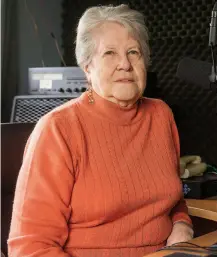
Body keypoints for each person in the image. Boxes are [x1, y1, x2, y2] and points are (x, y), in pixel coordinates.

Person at [8, 4, 193, 257]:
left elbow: (173, 199)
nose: (125, 64)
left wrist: (182, 224)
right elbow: (30, 248)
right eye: (109, 53)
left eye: (133, 52)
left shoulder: (161, 115)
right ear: (87, 66)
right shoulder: (58, 129)